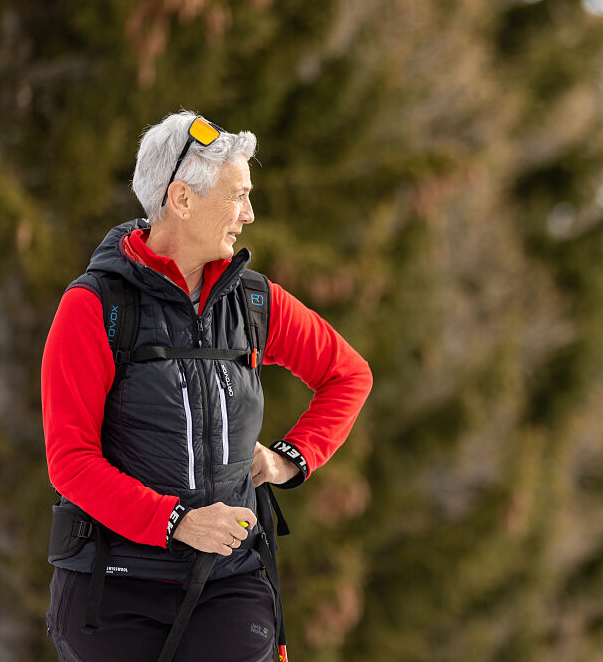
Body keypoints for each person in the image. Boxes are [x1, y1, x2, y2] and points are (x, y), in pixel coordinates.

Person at [42, 111, 373, 661]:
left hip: (230, 584)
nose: (249, 213)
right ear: (182, 198)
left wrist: (289, 459)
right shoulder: (95, 307)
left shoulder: (253, 302)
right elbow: (71, 462)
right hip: (113, 586)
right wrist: (176, 522)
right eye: (236, 196)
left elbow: (347, 375)